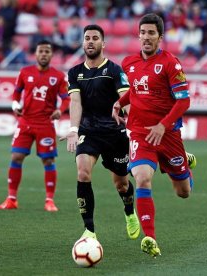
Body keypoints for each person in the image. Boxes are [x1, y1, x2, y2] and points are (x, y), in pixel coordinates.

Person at [112, 13, 197, 258]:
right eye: (143, 33)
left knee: (183, 192)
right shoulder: (129, 63)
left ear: (160, 37)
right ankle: (150, 237)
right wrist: (120, 102)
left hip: (168, 135)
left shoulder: (171, 63)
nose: (146, 37)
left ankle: (184, 164)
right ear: (138, 35)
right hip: (140, 133)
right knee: (141, 178)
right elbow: (138, 90)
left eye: (151, 33)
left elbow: (184, 101)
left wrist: (163, 125)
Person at [62, 24, 140, 241]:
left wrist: (133, 127)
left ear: (103, 44)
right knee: (83, 172)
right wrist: (73, 129)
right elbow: (75, 102)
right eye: (87, 38)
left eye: (95, 38)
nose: (90, 41)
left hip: (115, 134)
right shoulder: (75, 73)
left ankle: (129, 212)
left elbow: (126, 99)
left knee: (121, 184)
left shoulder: (114, 70)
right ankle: (89, 231)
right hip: (89, 131)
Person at [0, 40, 70, 211]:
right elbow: (16, 93)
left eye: (47, 51)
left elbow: (66, 98)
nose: (44, 54)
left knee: (48, 160)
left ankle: (49, 201)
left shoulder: (58, 76)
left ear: (52, 55)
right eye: (41, 51)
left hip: (45, 123)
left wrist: (60, 110)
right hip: (25, 122)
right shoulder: (24, 72)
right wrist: (15, 106)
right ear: (35, 54)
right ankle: (11, 199)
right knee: (16, 157)